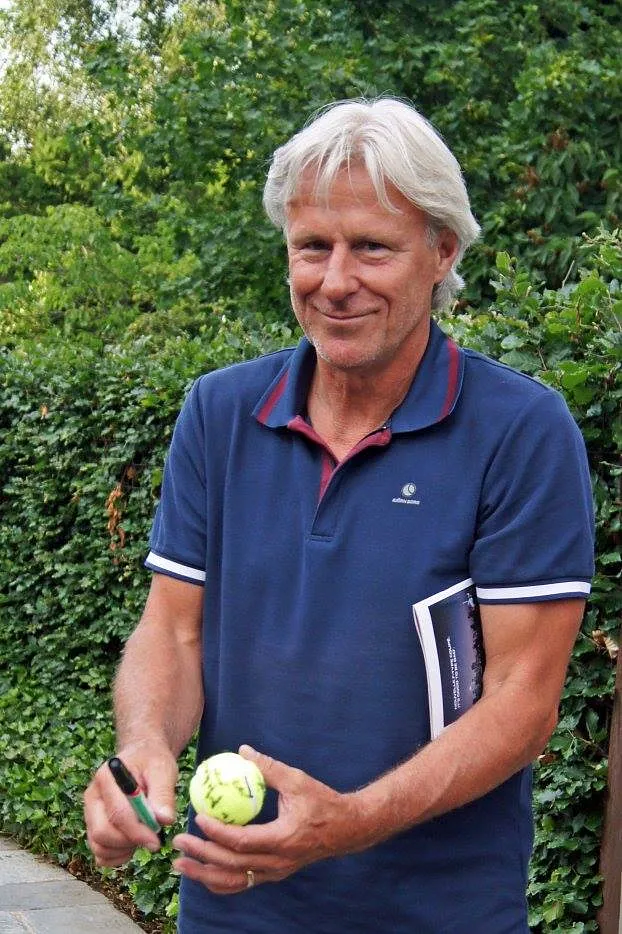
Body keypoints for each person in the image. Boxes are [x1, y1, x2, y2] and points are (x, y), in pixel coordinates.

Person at [84, 97, 595, 933]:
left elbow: (524, 702)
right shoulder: (219, 413)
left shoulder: (521, 432)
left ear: (442, 251)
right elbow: (172, 632)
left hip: (439, 915)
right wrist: (145, 746)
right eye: (312, 247)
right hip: (232, 905)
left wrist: (349, 823)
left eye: (372, 248)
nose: (335, 281)